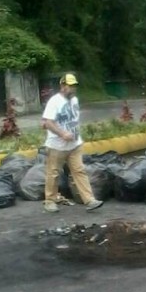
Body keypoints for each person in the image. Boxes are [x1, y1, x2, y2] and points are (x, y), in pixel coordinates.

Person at [41, 73, 103, 213]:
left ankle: (89, 200)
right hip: (56, 145)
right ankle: (50, 201)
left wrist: (73, 134)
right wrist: (62, 133)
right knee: (53, 173)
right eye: (70, 86)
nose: (73, 89)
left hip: (74, 145)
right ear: (62, 86)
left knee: (79, 171)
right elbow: (47, 123)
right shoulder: (54, 101)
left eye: (74, 86)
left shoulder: (74, 100)